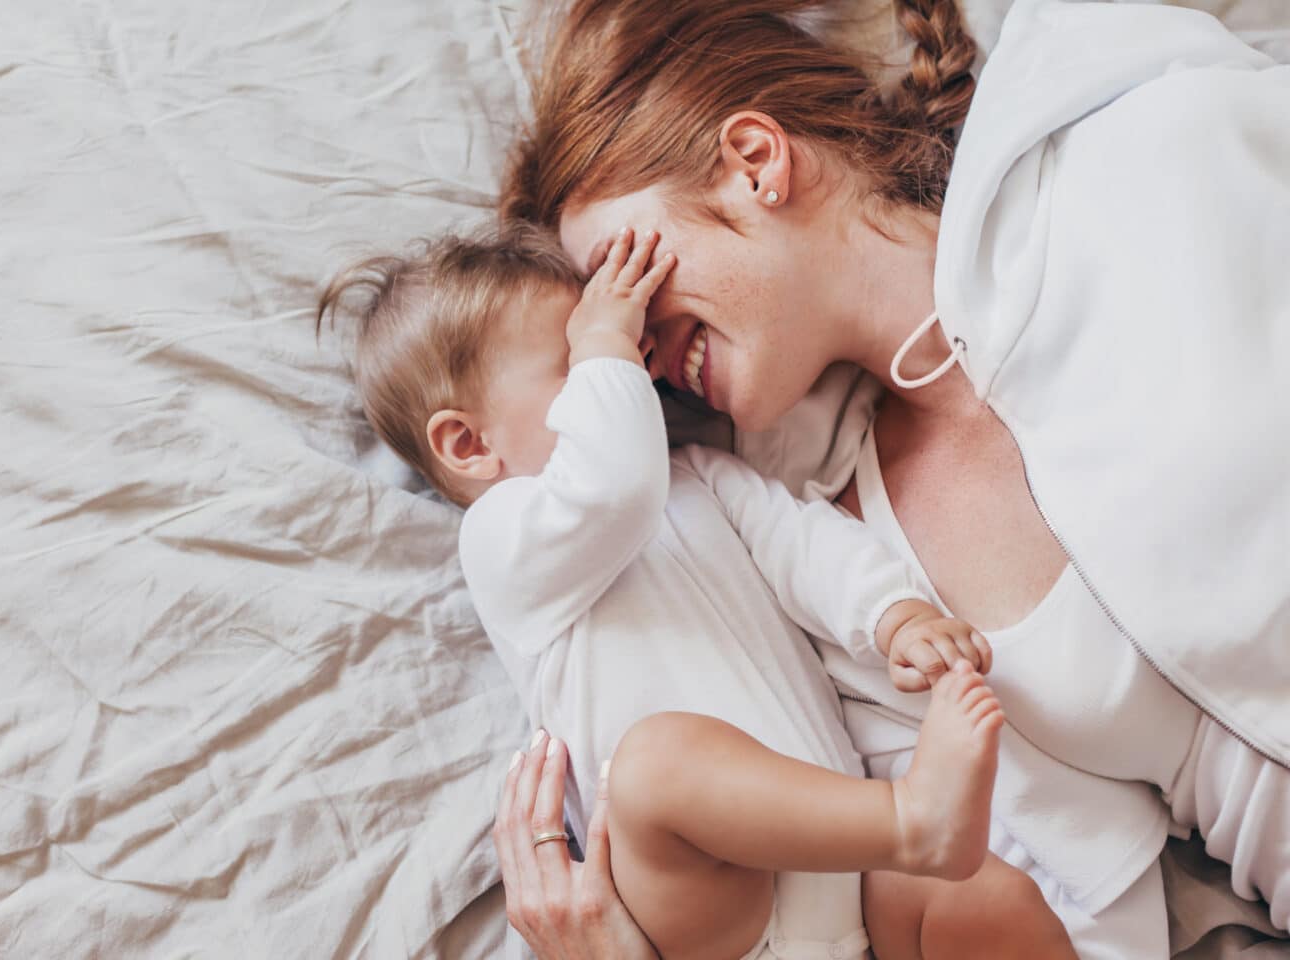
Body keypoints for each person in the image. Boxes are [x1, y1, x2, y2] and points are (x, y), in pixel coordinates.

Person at [495, 0, 1290, 956]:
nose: (634, 353)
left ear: (756, 160)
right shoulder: (862, 586)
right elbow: (1022, 914)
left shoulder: (1131, 158)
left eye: (628, 281)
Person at [321, 223, 1076, 959]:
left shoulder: (700, 478)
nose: (629, 366)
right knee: (653, 765)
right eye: (573, 358)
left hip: (841, 876)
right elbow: (613, 487)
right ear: (470, 446)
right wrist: (604, 344)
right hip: (705, 908)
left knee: (992, 900)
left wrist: (891, 614)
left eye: (621, 348)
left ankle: (917, 837)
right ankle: (915, 818)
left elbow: (800, 543)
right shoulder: (503, 536)